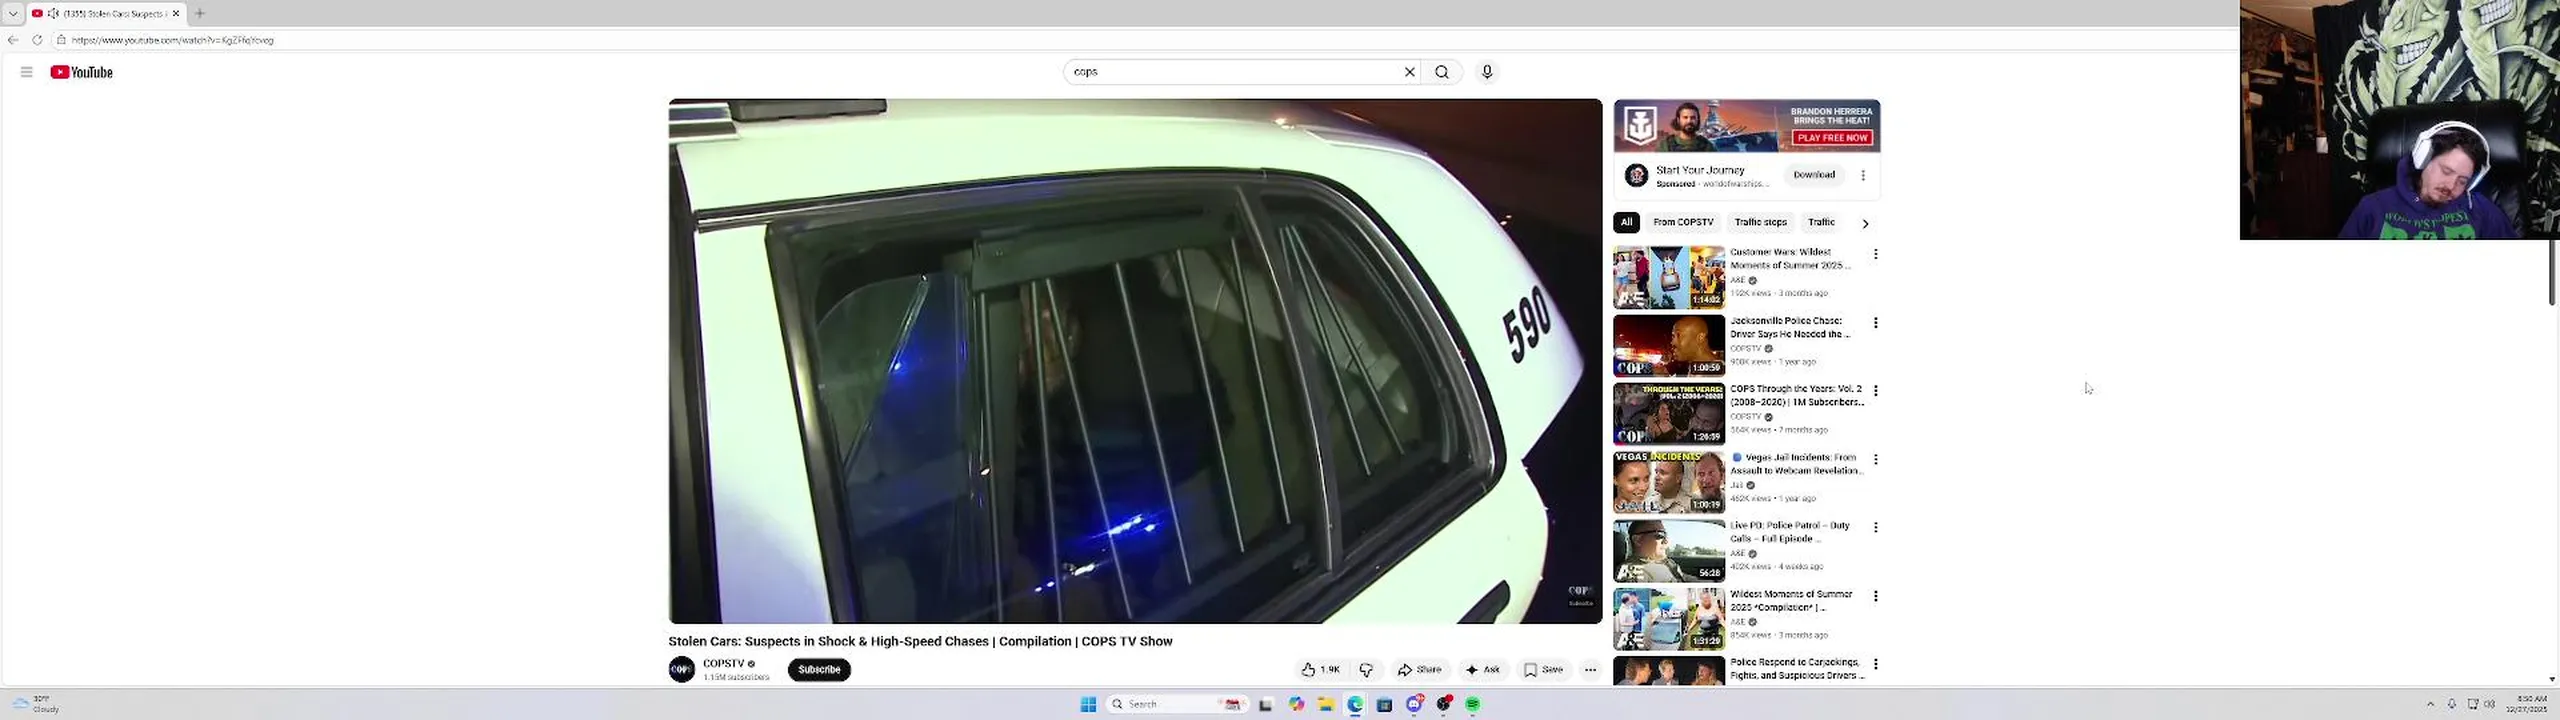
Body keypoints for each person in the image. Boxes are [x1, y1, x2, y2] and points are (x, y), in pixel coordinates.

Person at [2340, 122, 2519, 239]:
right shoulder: (2373, 208)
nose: (2451, 186)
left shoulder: (2482, 210)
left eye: (2462, 181)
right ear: (2423, 160)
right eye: (2446, 171)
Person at [1616, 520, 1703, 582]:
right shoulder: (1630, 571)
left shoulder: (1664, 561)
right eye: (1660, 535)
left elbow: (1683, 577)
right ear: (1637, 540)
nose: (1666, 541)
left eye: (1666, 535)